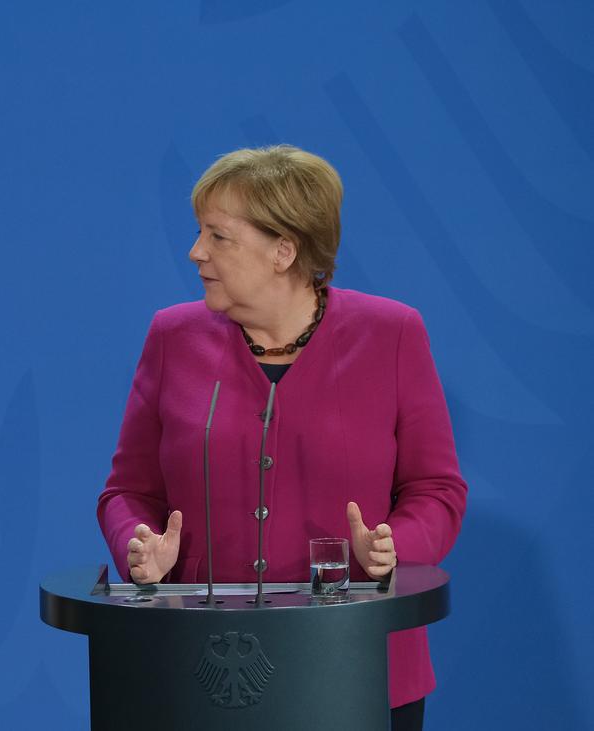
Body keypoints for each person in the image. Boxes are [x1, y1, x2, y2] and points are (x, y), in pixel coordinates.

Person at [97, 145, 466, 731]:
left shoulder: (392, 333)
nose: (196, 252)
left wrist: (395, 547)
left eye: (218, 236)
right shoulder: (172, 337)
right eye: (199, 232)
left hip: (357, 663)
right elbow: (127, 492)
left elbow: (436, 489)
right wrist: (138, 547)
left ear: (283, 251)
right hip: (198, 665)